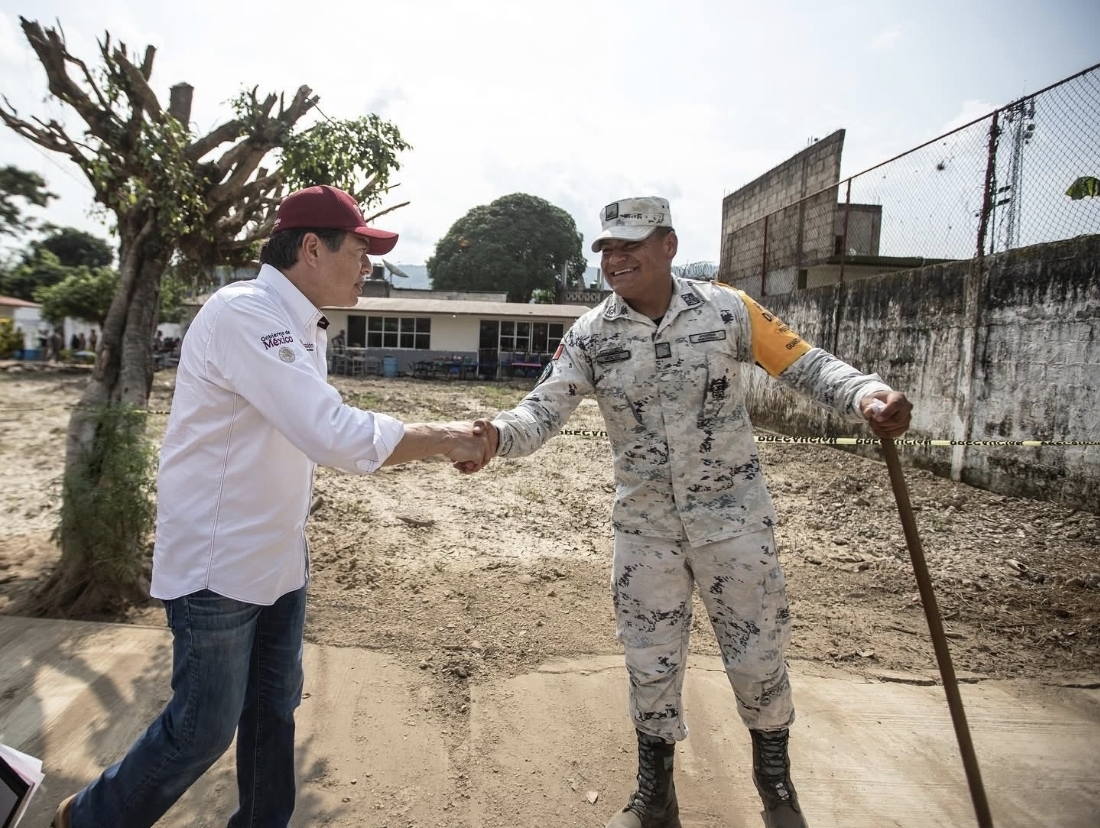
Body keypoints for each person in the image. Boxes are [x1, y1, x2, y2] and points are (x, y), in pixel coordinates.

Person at [53, 184, 495, 828]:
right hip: (221, 562)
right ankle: (87, 820)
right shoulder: (246, 313)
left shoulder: (301, 323)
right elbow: (334, 435)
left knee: (272, 710)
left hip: (278, 554)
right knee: (201, 730)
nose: (369, 264)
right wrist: (446, 436)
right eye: (361, 249)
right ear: (311, 248)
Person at [470, 196, 912, 828]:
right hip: (646, 530)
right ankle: (656, 795)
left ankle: (776, 788)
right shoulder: (590, 334)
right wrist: (491, 439)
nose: (615, 259)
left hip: (734, 522)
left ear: (668, 245)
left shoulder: (728, 309)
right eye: (607, 249)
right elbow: (542, 408)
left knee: (758, 656)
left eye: (630, 245)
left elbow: (805, 363)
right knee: (649, 660)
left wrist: (869, 393)